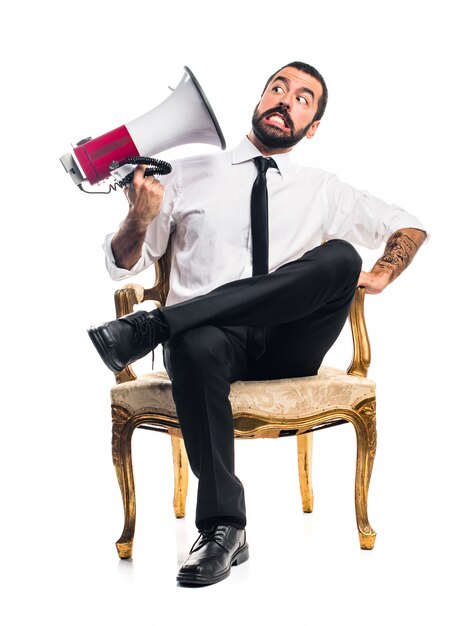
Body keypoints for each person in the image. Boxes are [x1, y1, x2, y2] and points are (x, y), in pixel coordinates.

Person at [88, 61, 428, 586]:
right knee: (196, 344)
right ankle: (225, 527)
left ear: (312, 125)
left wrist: (383, 270)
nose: (285, 100)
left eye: (303, 98)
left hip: (291, 343)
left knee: (340, 257)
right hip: (209, 346)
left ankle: (157, 325)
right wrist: (137, 216)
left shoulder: (323, 189)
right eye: (278, 88)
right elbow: (125, 261)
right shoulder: (186, 174)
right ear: (260, 97)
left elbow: (409, 224)